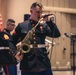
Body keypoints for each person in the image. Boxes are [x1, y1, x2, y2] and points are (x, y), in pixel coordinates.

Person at [12, 2, 61, 75]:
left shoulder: (44, 26)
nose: (40, 14)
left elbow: (57, 34)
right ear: (31, 11)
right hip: (28, 65)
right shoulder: (22, 26)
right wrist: (15, 53)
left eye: (41, 12)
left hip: (43, 63)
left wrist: (49, 22)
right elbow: (11, 41)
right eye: (38, 12)